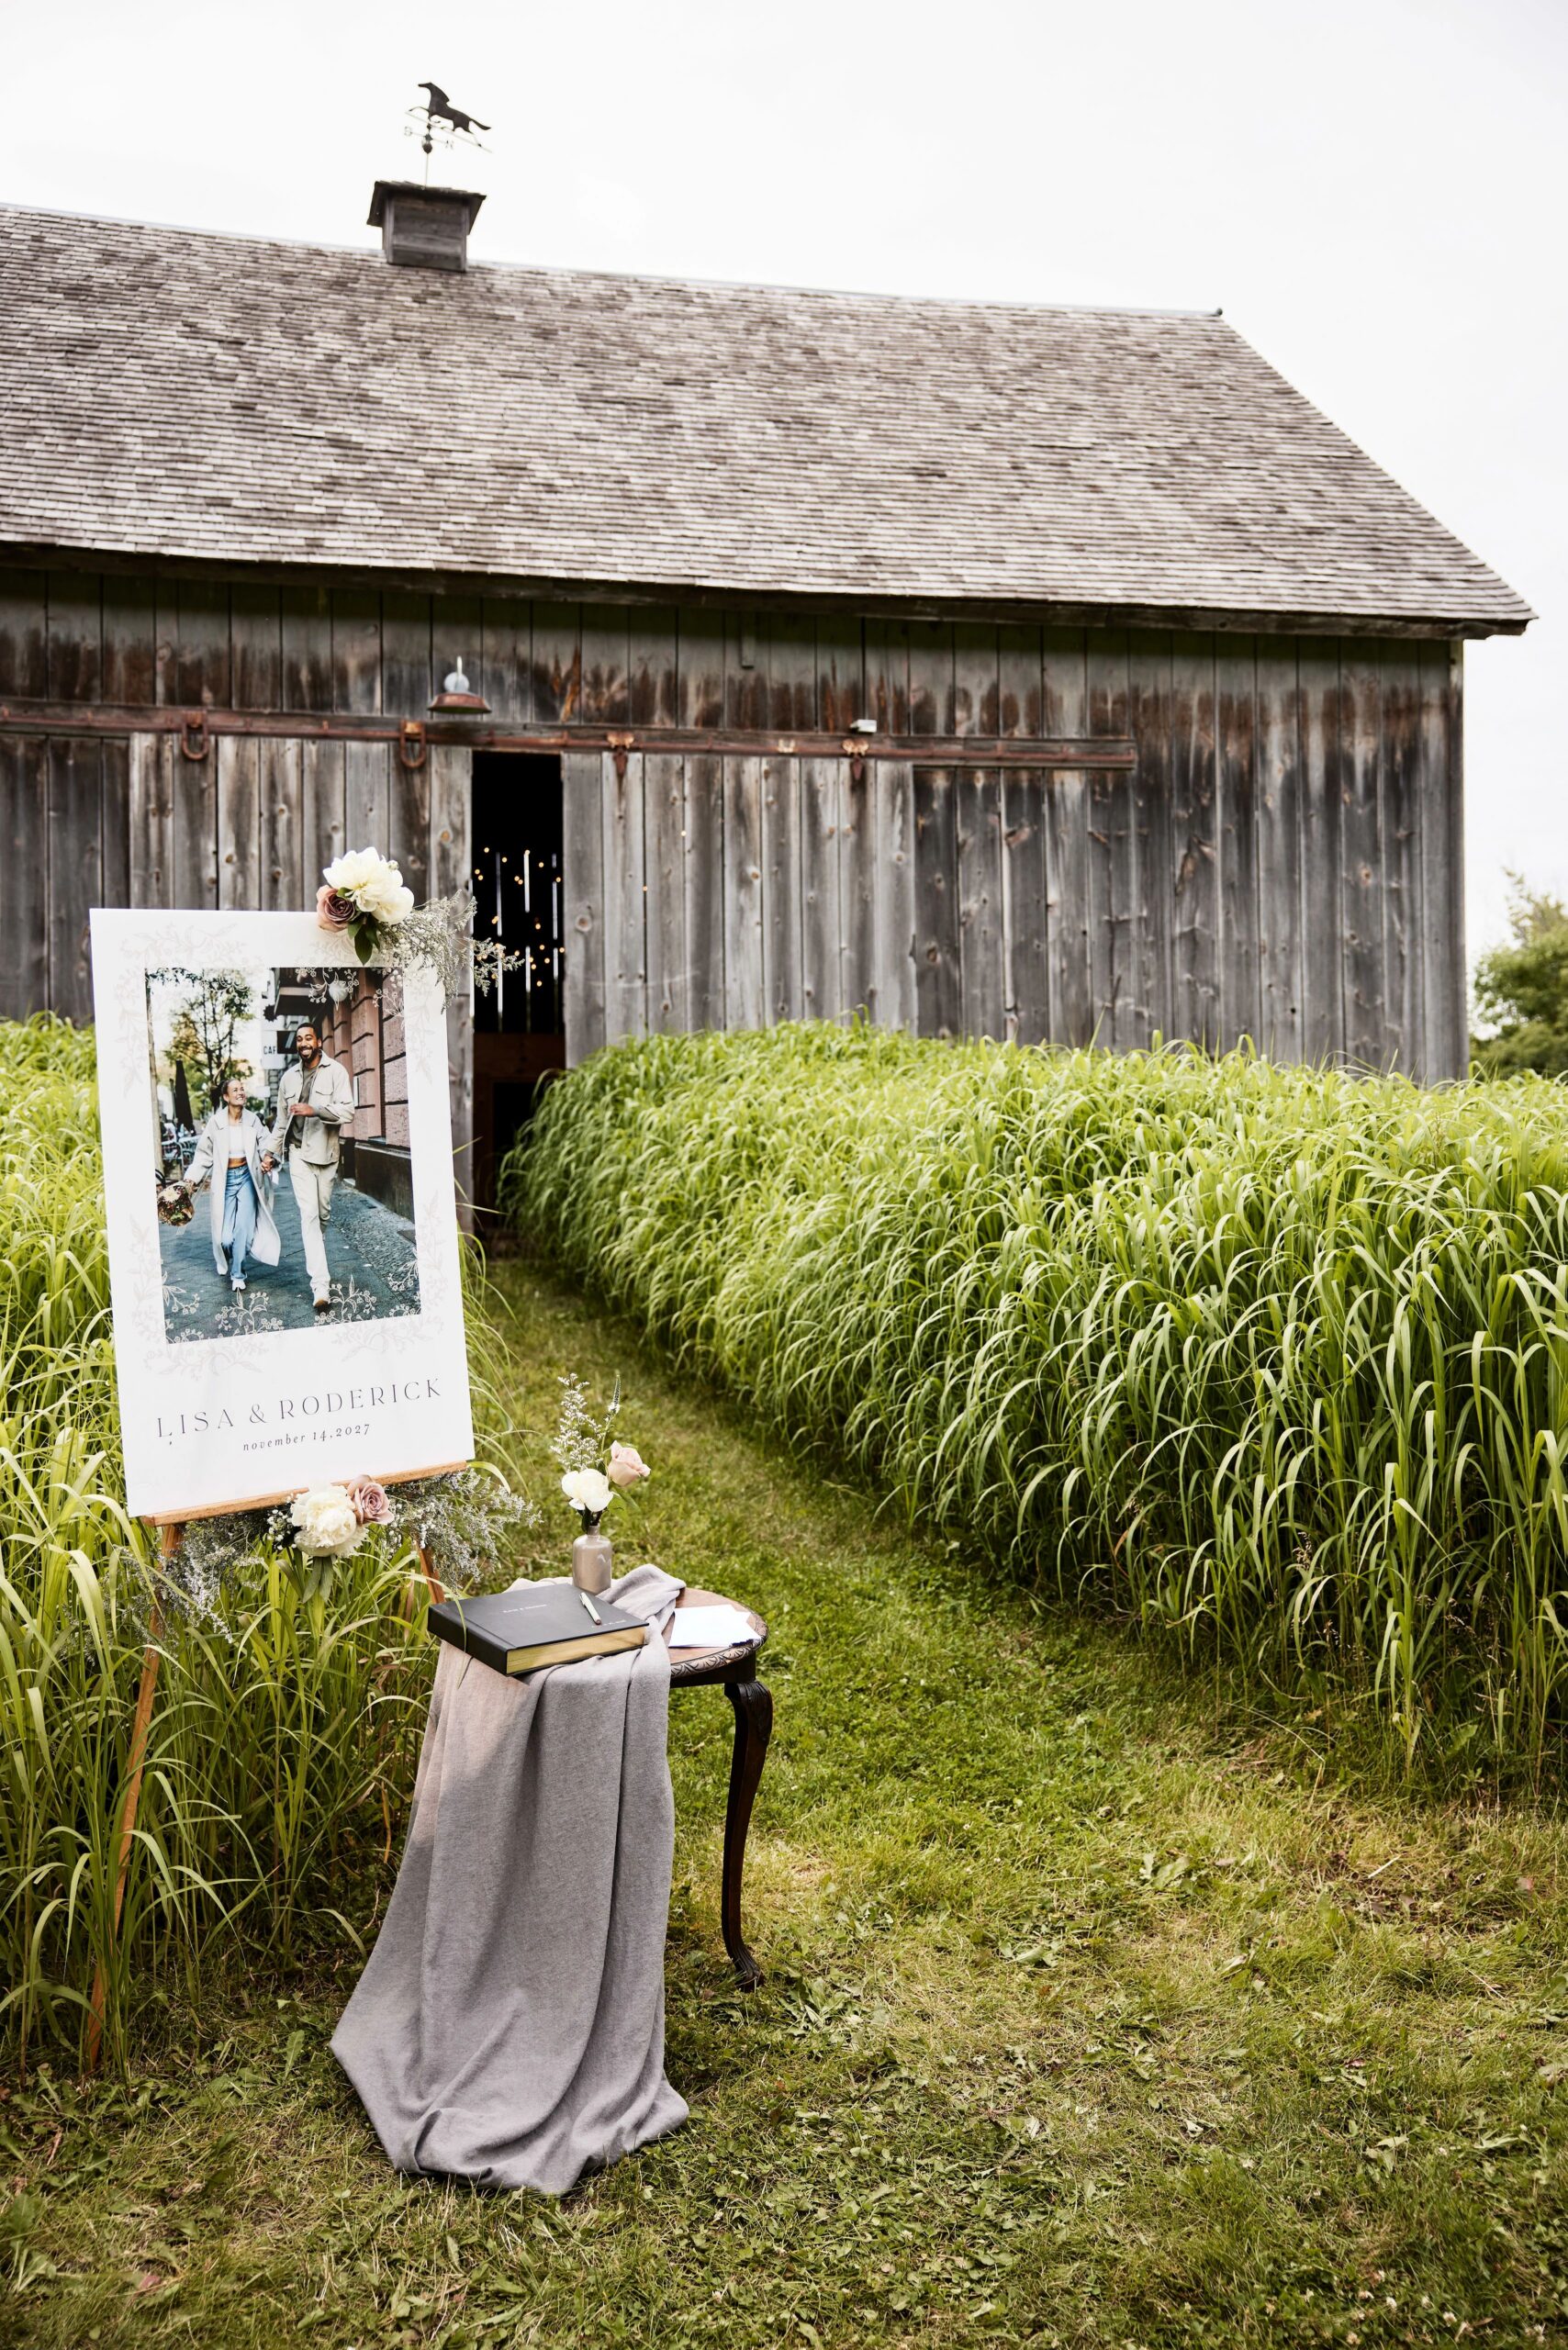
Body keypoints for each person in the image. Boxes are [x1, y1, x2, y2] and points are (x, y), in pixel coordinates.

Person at [268, 1021, 356, 1313]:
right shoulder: (288, 1079)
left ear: (318, 1042)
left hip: (327, 1155)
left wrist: (315, 1109)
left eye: (309, 1038)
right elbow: (282, 1121)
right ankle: (321, 1287)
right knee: (308, 1217)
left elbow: (348, 1111)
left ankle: (316, 1254)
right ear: (297, 1045)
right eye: (299, 1039)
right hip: (298, 1155)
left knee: (321, 1217)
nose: (304, 1042)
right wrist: (270, 1152)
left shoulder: (336, 1072)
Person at [182, 1076, 282, 1293]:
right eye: (235, 1090)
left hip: (247, 1177)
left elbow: (266, 1143)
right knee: (224, 1237)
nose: (240, 1092)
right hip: (225, 1181)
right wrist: (190, 1180)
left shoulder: (253, 1119)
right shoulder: (216, 1123)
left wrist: (268, 1159)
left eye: (242, 1088)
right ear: (226, 1096)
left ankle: (238, 1273)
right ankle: (232, 1256)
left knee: (242, 1229)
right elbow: (203, 1155)